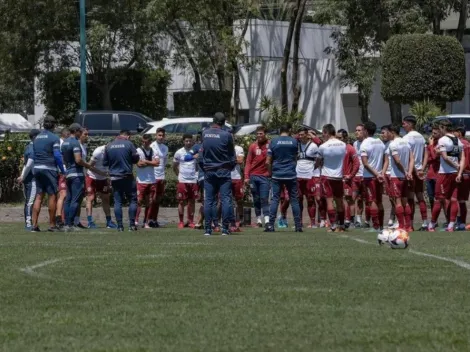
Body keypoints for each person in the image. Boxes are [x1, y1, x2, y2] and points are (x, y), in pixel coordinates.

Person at [61, 124, 103, 232]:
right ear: (75, 131)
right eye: (80, 131)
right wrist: (88, 166)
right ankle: (71, 224)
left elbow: (63, 159)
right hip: (76, 174)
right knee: (75, 200)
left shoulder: (64, 142)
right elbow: (78, 160)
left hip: (68, 173)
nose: (80, 133)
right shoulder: (75, 142)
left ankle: (66, 223)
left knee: (68, 200)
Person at [200, 112, 236, 236]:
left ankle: (208, 229)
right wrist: (230, 167)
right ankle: (225, 229)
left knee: (209, 200)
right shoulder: (227, 135)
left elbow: (201, 156)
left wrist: (204, 168)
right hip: (224, 171)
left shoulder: (204, 133)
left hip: (209, 171)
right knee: (226, 199)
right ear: (224, 122)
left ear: (213, 121)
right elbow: (232, 156)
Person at [428, 120, 465, 232]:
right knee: (453, 199)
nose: (439, 130)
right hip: (455, 174)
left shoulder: (442, 139)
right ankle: (451, 226)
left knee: (438, 199)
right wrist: (459, 172)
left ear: (443, 127)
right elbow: (461, 157)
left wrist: (455, 166)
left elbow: (445, 157)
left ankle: (432, 224)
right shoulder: (457, 140)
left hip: (444, 173)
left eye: (440, 128)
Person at [264, 124, 302, 232]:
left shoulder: (274, 141)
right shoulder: (294, 142)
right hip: (291, 174)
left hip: (277, 174)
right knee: (294, 200)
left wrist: (271, 173)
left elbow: (267, 161)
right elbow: (296, 158)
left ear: (280, 131)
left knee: (275, 199)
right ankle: (298, 226)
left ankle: (271, 225)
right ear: (289, 131)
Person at [31, 115, 65, 232]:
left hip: (37, 168)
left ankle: (34, 225)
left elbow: (34, 155)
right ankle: (51, 225)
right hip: (49, 168)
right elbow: (57, 156)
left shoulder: (37, 138)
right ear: (54, 125)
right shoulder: (54, 138)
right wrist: (63, 170)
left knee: (39, 196)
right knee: (52, 195)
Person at [317, 124, 352, 232]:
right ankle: (341, 225)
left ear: (326, 132)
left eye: (323, 133)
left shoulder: (323, 146)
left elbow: (318, 161)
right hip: (338, 176)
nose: (323, 135)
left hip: (327, 176)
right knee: (339, 201)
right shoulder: (343, 144)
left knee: (329, 201)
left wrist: (317, 164)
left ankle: (333, 225)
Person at [103, 130, 140, 231]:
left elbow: (105, 162)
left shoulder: (109, 145)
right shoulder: (129, 144)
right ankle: (132, 225)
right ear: (128, 136)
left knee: (117, 202)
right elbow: (136, 158)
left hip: (114, 177)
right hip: (127, 176)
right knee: (132, 200)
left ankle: (120, 226)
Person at [385, 124, 414, 231]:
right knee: (405, 201)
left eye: (387, 132)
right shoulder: (406, 142)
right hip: (405, 177)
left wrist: (405, 171)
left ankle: (401, 226)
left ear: (392, 132)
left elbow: (397, 161)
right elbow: (412, 159)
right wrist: (409, 172)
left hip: (396, 177)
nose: (386, 134)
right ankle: (409, 226)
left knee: (397, 201)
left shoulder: (393, 145)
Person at [402, 115, 428, 231]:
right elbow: (425, 153)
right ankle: (425, 223)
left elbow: (407, 155)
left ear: (410, 124)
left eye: (405, 123)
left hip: (411, 171)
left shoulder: (407, 138)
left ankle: (410, 224)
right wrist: (422, 167)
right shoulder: (421, 137)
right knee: (420, 196)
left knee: (410, 197)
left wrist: (409, 170)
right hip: (419, 170)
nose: (403, 126)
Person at [360, 121, 385, 232]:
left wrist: (375, 174)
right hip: (379, 176)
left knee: (372, 201)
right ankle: (381, 226)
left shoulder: (365, 143)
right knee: (379, 201)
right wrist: (381, 173)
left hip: (370, 177)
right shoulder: (380, 142)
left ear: (365, 131)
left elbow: (365, 163)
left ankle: (375, 227)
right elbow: (385, 160)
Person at [85, 143, 117, 229]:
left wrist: (109, 177)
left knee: (106, 198)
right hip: (92, 177)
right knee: (90, 198)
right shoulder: (98, 152)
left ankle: (109, 221)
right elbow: (88, 165)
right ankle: (90, 222)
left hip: (103, 179)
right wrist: (100, 173)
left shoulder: (113, 151)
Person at [244, 126, 270, 227]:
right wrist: (246, 176)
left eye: (261, 133)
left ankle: (267, 220)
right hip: (253, 176)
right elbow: (248, 161)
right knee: (256, 198)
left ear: (265, 134)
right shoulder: (252, 146)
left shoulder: (270, 144)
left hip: (265, 176)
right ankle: (259, 220)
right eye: (257, 134)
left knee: (264, 198)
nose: (259, 135)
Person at [173, 134, 199, 228]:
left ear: (192, 141)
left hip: (193, 180)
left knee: (192, 201)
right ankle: (180, 221)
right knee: (181, 201)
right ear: (183, 141)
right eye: (186, 141)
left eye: (190, 141)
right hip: (182, 180)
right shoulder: (179, 152)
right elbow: (174, 166)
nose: (188, 142)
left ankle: (190, 221)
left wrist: (195, 176)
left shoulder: (196, 152)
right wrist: (179, 175)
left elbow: (196, 166)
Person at [17, 129, 40, 230]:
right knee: (30, 202)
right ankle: (29, 224)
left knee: (29, 201)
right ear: (35, 137)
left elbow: (26, 164)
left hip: (28, 178)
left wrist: (22, 176)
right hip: (32, 179)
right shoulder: (33, 148)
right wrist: (23, 176)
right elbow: (29, 164)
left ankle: (30, 223)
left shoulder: (28, 147)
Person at [296, 128, 319, 228]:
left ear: (307, 135)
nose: (300, 137)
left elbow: (319, 160)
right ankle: (299, 222)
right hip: (298, 176)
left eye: (302, 135)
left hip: (309, 176)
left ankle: (313, 222)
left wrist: (313, 169)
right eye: (299, 135)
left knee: (310, 199)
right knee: (298, 199)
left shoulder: (313, 146)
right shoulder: (297, 145)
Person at [135, 134, 160, 229]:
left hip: (152, 180)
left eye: (146, 141)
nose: (143, 143)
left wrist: (146, 161)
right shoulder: (138, 151)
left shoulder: (154, 150)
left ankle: (146, 222)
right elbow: (139, 164)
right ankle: (136, 221)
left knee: (149, 202)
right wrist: (151, 162)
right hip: (141, 181)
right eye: (142, 141)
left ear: (150, 142)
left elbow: (157, 163)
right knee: (139, 201)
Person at [337, 128, 360, 229]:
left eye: (340, 138)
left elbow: (357, 163)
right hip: (336, 178)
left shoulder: (350, 148)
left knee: (349, 199)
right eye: (337, 138)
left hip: (347, 179)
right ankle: (341, 220)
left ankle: (351, 220)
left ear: (345, 137)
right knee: (338, 200)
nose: (338, 140)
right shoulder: (335, 148)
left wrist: (351, 175)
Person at [149, 128, 168, 227]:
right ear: (155, 135)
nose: (161, 137)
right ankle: (149, 219)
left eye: (162, 135)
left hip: (161, 176)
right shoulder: (151, 146)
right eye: (159, 135)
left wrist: (163, 176)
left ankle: (154, 219)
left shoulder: (165, 148)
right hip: (153, 176)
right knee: (152, 199)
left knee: (158, 199)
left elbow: (164, 163)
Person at [380, 125, 397, 229]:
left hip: (393, 173)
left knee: (395, 197)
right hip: (387, 173)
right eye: (381, 133)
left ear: (390, 132)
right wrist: (383, 173)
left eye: (384, 133)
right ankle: (393, 216)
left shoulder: (394, 143)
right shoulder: (384, 144)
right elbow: (385, 160)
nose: (382, 135)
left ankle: (395, 217)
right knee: (391, 197)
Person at [454, 125, 470, 230]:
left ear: (459, 133)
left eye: (454, 132)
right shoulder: (467, 144)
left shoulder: (459, 144)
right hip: (467, 173)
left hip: (463, 173)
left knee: (459, 199)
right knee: (461, 199)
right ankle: (460, 222)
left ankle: (461, 223)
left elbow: (459, 160)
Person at [353, 124, 369, 228]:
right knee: (356, 198)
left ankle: (368, 220)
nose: (357, 132)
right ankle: (357, 219)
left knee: (368, 199)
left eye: (359, 130)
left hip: (366, 175)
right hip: (356, 175)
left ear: (364, 132)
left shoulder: (368, 143)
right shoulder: (355, 144)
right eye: (356, 130)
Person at [422, 124, 441, 213]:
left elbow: (434, 157)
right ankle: (434, 217)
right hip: (430, 174)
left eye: (435, 132)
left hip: (438, 174)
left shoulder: (440, 143)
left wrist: (431, 145)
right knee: (430, 196)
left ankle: (447, 219)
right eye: (432, 132)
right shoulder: (429, 143)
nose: (433, 134)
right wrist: (422, 169)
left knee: (440, 197)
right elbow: (427, 157)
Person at [56, 127, 70, 227]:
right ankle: (59, 217)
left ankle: (63, 218)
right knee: (63, 194)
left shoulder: (62, 143)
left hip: (63, 171)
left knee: (64, 195)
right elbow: (59, 158)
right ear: (65, 135)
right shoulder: (61, 144)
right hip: (62, 171)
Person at [231, 131, 245, 227]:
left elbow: (240, 161)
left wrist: (229, 160)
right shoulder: (222, 148)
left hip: (236, 177)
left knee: (239, 200)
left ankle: (240, 218)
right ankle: (223, 219)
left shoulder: (238, 148)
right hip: (225, 177)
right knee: (224, 200)